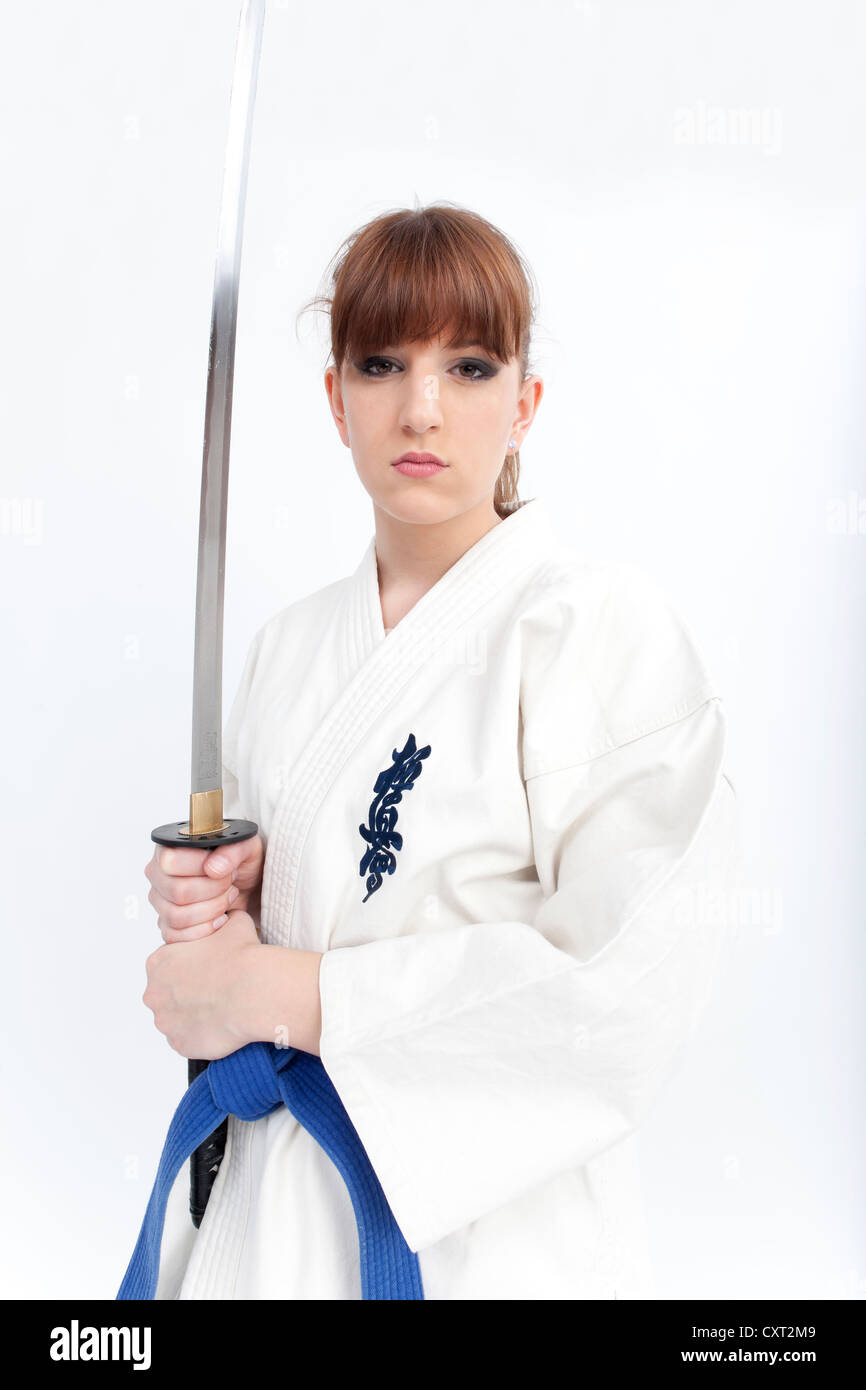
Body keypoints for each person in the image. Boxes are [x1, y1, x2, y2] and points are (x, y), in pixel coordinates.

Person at [137, 202, 739, 1300]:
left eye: (467, 366)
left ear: (525, 403)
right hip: (268, 1228)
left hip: (493, 1245)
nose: (420, 407)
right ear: (335, 399)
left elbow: (617, 983)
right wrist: (218, 910)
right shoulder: (285, 649)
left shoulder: (593, 629)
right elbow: (288, 932)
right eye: (379, 363)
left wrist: (281, 989)